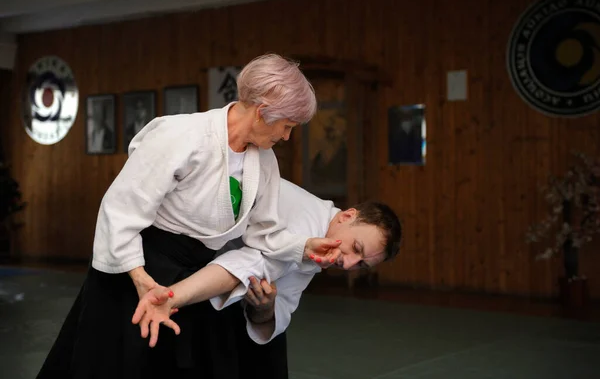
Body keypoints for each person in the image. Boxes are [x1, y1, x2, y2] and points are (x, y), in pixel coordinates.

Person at [37, 54, 342, 379]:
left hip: (191, 275)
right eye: (287, 126)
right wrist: (141, 281)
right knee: (120, 365)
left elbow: (264, 233)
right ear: (263, 112)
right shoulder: (183, 135)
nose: (286, 137)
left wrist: (303, 246)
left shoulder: (263, 161)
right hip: (136, 268)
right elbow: (121, 209)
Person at [132, 179, 402, 378]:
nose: (349, 263)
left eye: (362, 265)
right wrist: (170, 297)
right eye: (356, 249)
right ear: (347, 216)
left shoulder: (325, 234)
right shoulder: (305, 225)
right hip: (166, 248)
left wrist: (265, 308)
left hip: (208, 267)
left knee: (271, 349)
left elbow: (283, 302)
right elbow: (242, 266)